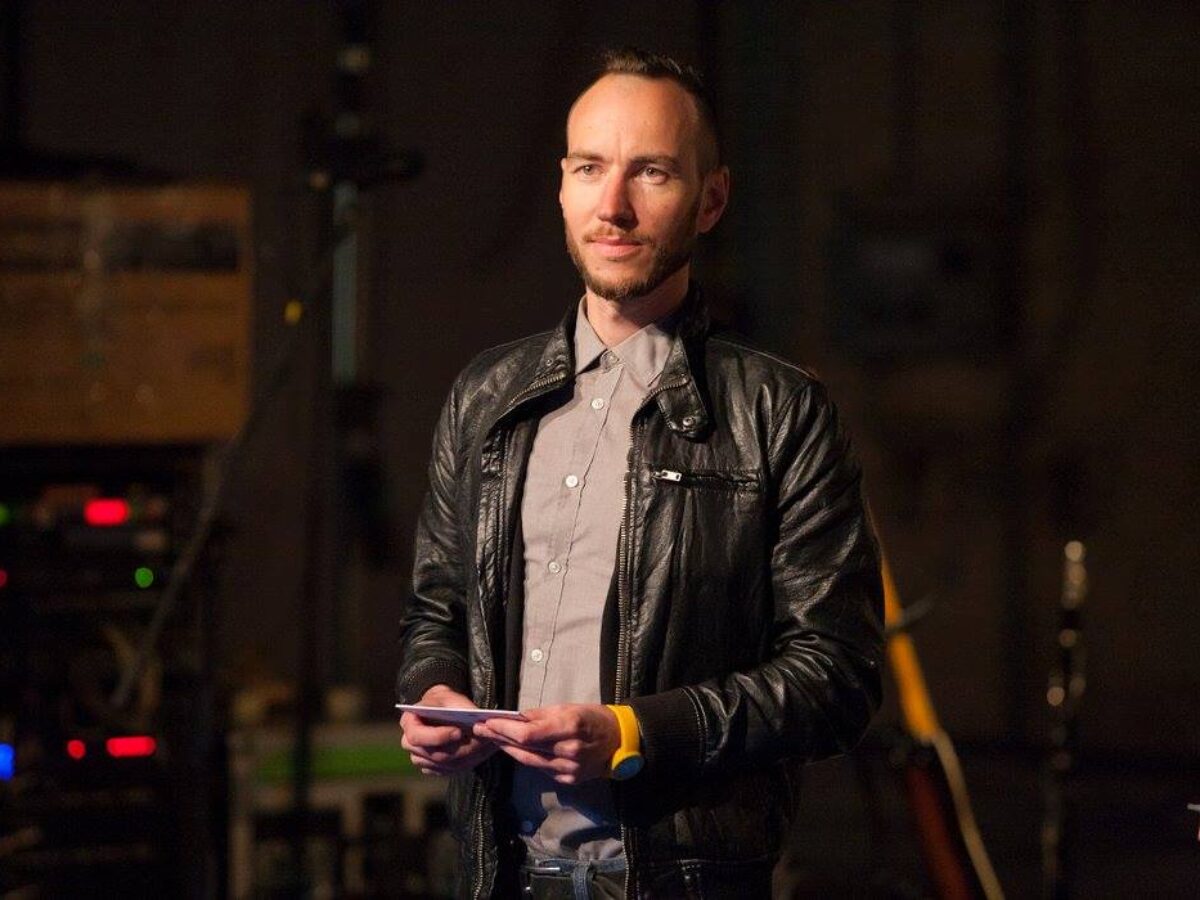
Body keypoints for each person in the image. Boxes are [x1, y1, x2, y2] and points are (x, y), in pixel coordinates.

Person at [397, 47, 883, 899]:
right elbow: (437, 609)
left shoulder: (780, 411)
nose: (613, 206)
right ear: (561, 186)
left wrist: (634, 732)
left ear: (711, 200)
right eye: (590, 168)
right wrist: (435, 693)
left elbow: (836, 677)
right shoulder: (487, 395)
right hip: (499, 873)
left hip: (679, 880)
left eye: (651, 172)